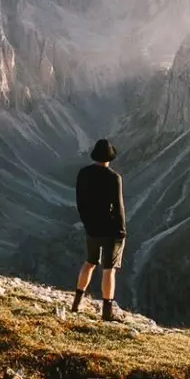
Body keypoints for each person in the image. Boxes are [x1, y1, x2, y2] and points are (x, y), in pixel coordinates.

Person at [71, 138, 127, 322]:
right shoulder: (114, 177)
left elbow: (80, 201)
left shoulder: (83, 173)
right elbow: (118, 207)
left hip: (92, 228)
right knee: (108, 269)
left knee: (89, 262)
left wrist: (87, 222)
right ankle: (107, 312)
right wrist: (121, 231)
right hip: (110, 229)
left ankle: (76, 303)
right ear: (110, 158)